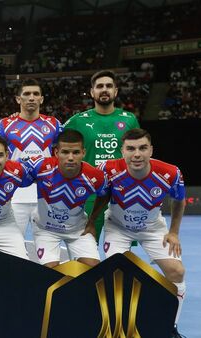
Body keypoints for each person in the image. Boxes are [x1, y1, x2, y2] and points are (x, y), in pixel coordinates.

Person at [87, 128, 186, 338]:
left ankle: (171, 327)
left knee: (177, 272)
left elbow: (179, 200)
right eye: (130, 149)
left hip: (153, 229)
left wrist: (174, 232)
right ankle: (116, 326)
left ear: (151, 150)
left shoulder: (170, 173)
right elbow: (101, 197)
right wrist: (90, 224)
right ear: (122, 151)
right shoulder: (108, 169)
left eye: (142, 148)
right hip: (117, 228)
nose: (137, 154)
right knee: (117, 274)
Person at [64, 70, 140, 240]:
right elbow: (54, 141)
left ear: (116, 91)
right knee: (87, 246)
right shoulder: (78, 120)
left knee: (121, 250)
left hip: (123, 192)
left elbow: (139, 151)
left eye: (108, 86)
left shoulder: (129, 119)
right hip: (90, 191)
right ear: (92, 92)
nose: (104, 89)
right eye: (99, 86)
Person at [24, 129, 106, 267]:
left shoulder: (95, 176)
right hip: (45, 229)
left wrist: (92, 220)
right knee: (50, 272)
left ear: (83, 153)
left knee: (93, 269)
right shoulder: (41, 166)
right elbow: (8, 168)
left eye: (76, 152)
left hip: (77, 230)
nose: (70, 157)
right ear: (56, 153)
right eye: (65, 152)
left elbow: (104, 195)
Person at [0, 78, 62, 238]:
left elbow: (65, 152)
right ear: (18, 99)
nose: (31, 97)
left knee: (48, 244)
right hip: (14, 194)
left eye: (36, 94)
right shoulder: (4, 125)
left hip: (46, 194)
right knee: (11, 246)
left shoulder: (54, 124)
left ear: (41, 99)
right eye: (27, 94)